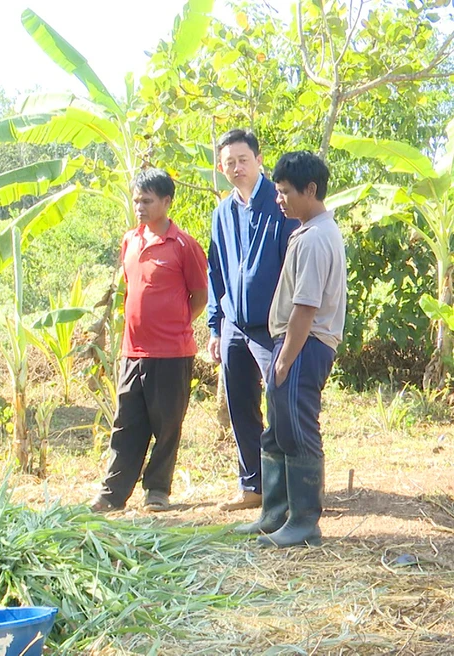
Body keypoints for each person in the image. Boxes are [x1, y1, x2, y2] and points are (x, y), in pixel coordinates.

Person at [236, 151, 346, 547]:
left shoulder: (317, 237)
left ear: (310, 190)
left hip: (305, 343)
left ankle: (303, 522)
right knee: (278, 430)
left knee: (297, 429)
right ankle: (276, 513)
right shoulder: (305, 230)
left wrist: (283, 359)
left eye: (284, 192)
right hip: (294, 342)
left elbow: (306, 307)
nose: (278, 198)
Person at [91, 168, 209, 513]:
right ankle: (112, 495)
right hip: (133, 351)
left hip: (172, 353)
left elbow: (199, 296)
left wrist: (176, 324)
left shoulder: (184, 245)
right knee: (126, 424)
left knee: (167, 424)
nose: (139, 206)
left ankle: (157, 490)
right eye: (136, 199)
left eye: (147, 200)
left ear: (167, 202)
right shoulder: (130, 241)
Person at [207, 130, 299, 512]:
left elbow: (294, 266)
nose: (237, 168)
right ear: (221, 167)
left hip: (272, 326)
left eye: (243, 160)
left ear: (259, 160)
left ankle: (295, 485)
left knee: (282, 401)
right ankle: (253, 486)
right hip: (233, 325)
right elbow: (215, 271)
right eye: (229, 162)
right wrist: (215, 325)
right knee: (240, 404)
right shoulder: (222, 212)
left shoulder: (278, 204)